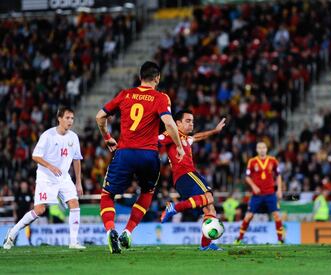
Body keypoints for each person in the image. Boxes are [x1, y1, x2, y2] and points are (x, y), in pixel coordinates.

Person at [96, 61, 184, 254]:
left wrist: (108, 138)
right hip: (148, 154)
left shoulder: (125, 94)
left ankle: (111, 229)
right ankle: (128, 231)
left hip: (125, 152)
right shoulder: (160, 98)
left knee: (108, 195)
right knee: (147, 192)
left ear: (140, 77)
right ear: (157, 78)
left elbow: (99, 117)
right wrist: (179, 146)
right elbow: (169, 123)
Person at [3, 106, 85, 250]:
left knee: (74, 203)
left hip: (64, 177)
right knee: (40, 210)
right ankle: (13, 231)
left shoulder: (74, 137)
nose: (70, 121)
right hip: (46, 177)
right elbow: (35, 155)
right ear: (59, 118)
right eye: (67, 118)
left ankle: (73, 242)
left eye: (72, 118)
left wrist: (78, 182)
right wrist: (50, 166)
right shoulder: (48, 135)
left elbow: (77, 159)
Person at [159, 110, 226, 251]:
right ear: (177, 123)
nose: (191, 124)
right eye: (188, 121)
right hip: (186, 174)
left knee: (210, 209)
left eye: (192, 121)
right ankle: (174, 208)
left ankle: (205, 245)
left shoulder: (186, 138)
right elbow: (156, 140)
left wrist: (215, 130)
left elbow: (197, 137)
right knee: (209, 197)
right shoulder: (171, 134)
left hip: (183, 178)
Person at [234, 142, 284, 244]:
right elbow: (247, 177)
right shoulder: (252, 161)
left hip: (270, 193)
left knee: (277, 215)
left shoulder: (273, 160)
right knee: (248, 216)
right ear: (257, 150)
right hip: (257, 195)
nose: (262, 149)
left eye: (264, 147)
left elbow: (278, 175)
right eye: (260, 148)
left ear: (266, 149)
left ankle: (280, 240)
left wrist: (279, 189)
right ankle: (239, 238)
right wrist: (253, 186)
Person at [13, 181, 33, 245]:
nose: (24, 186)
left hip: (27, 215)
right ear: (21, 186)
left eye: (25, 184)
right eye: (23, 184)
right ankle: (14, 241)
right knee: (16, 228)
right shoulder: (18, 193)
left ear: (27, 185)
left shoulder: (29, 193)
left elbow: (32, 204)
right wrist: (14, 213)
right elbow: (14, 204)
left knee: (28, 228)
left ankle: (29, 241)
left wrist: (30, 212)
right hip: (19, 214)